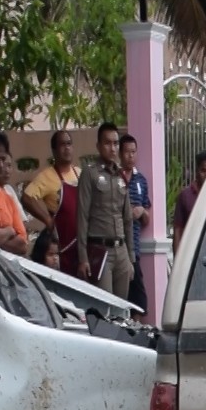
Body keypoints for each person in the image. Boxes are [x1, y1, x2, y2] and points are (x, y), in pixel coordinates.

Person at [75, 122, 135, 299]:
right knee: (106, 305)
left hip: (121, 250)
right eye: (108, 143)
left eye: (116, 143)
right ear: (98, 146)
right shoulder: (90, 173)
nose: (113, 148)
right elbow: (82, 217)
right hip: (101, 251)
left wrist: (131, 259)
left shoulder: (121, 175)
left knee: (122, 306)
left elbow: (128, 219)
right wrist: (83, 257)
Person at [22, 130, 81, 277]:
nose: (66, 148)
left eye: (69, 144)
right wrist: (48, 221)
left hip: (82, 241)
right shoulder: (46, 176)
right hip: (63, 242)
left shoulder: (80, 173)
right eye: (62, 145)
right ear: (54, 151)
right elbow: (27, 197)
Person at [0, 131, 28, 257]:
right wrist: (9, 231)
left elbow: (23, 244)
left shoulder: (8, 198)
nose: (1, 165)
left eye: (3, 159)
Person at [119, 134, 151, 313]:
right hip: (118, 243)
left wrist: (142, 212)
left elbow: (147, 218)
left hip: (135, 247)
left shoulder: (141, 181)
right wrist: (128, 212)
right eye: (127, 152)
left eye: (133, 152)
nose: (130, 156)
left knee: (138, 294)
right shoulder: (114, 177)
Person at [172, 150, 206, 250]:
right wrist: (178, 260)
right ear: (196, 171)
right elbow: (178, 229)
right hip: (190, 252)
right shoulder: (185, 196)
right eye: (203, 171)